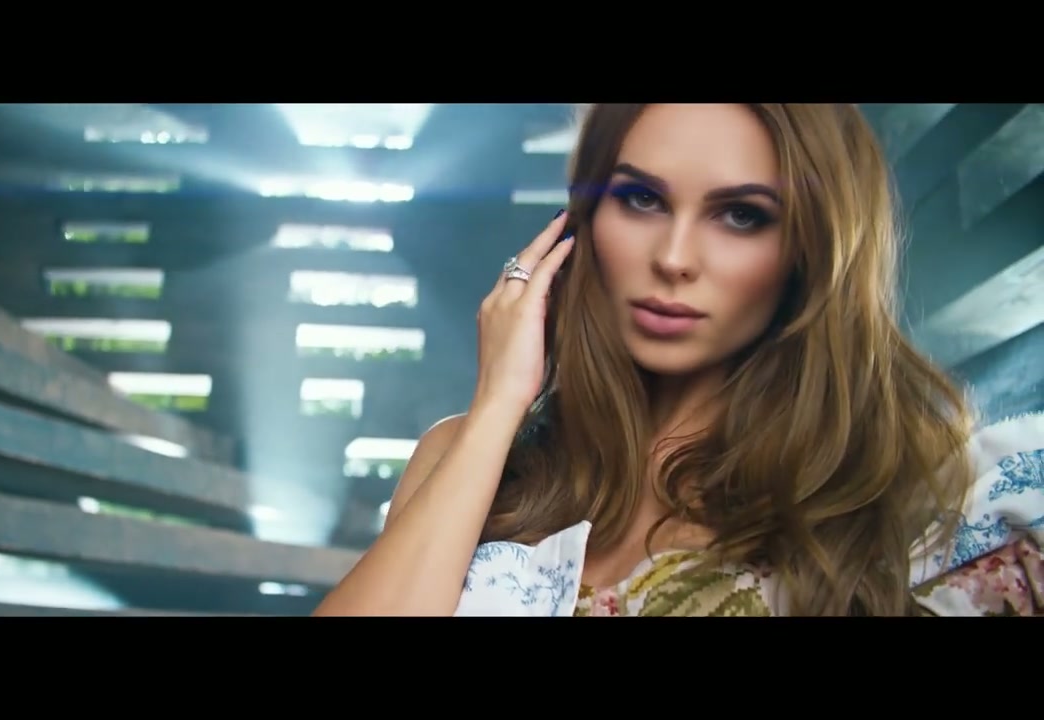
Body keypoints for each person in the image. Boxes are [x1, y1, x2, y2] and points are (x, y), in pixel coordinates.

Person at [313, 103, 1043, 617]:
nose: (673, 258)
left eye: (741, 215)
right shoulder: (466, 456)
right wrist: (501, 401)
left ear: (809, 250)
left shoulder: (899, 493)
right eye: (641, 199)